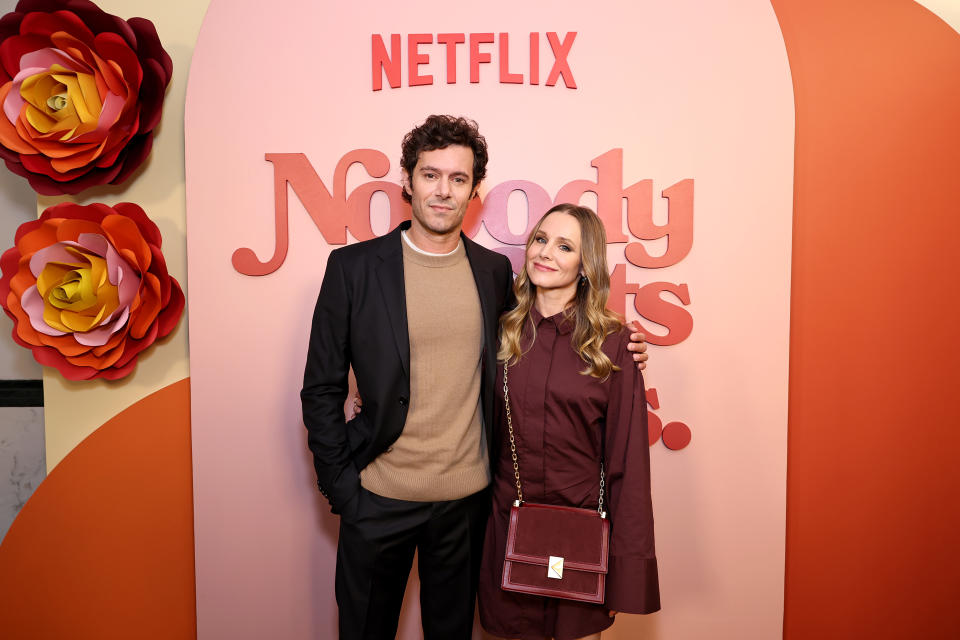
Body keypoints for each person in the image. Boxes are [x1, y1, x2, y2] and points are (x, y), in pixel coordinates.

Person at [301, 115, 649, 640]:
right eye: (430, 175)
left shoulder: (492, 274)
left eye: (458, 179)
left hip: (467, 511)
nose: (443, 191)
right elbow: (321, 389)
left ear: (475, 191)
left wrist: (623, 343)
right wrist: (343, 491)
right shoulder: (353, 269)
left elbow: (551, 331)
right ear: (407, 180)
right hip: (377, 498)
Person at [478, 204, 661, 640]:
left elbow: (628, 467)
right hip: (507, 530)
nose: (546, 253)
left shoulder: (613, 345)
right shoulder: (498, 332)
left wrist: (625, 571)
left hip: (581, 539)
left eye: (565, 246)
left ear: (586, 265)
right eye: (541, 240)